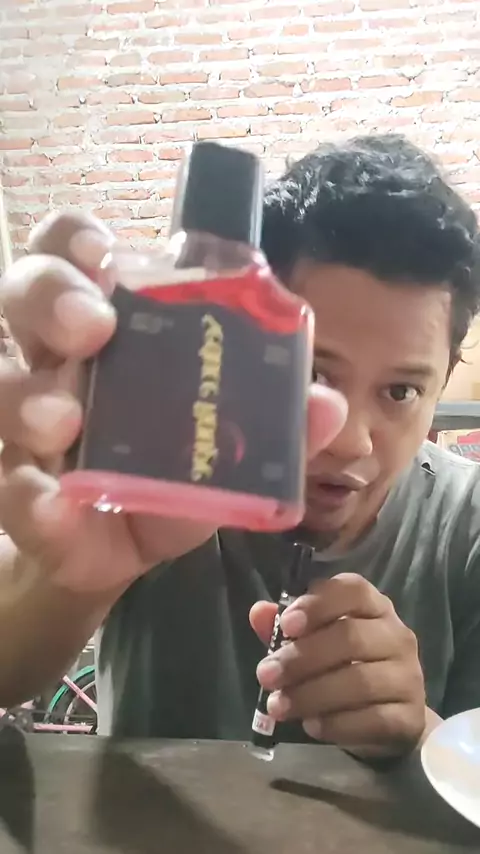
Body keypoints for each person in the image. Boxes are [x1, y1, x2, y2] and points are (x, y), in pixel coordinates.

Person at [0, 133, 479, 761]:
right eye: (312, 374)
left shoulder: (468, 526)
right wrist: (68, 583)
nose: (350, 439)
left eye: (401, 391)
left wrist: (420, 735)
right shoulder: (157, 473)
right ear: (241, 338)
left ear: (445, 379)